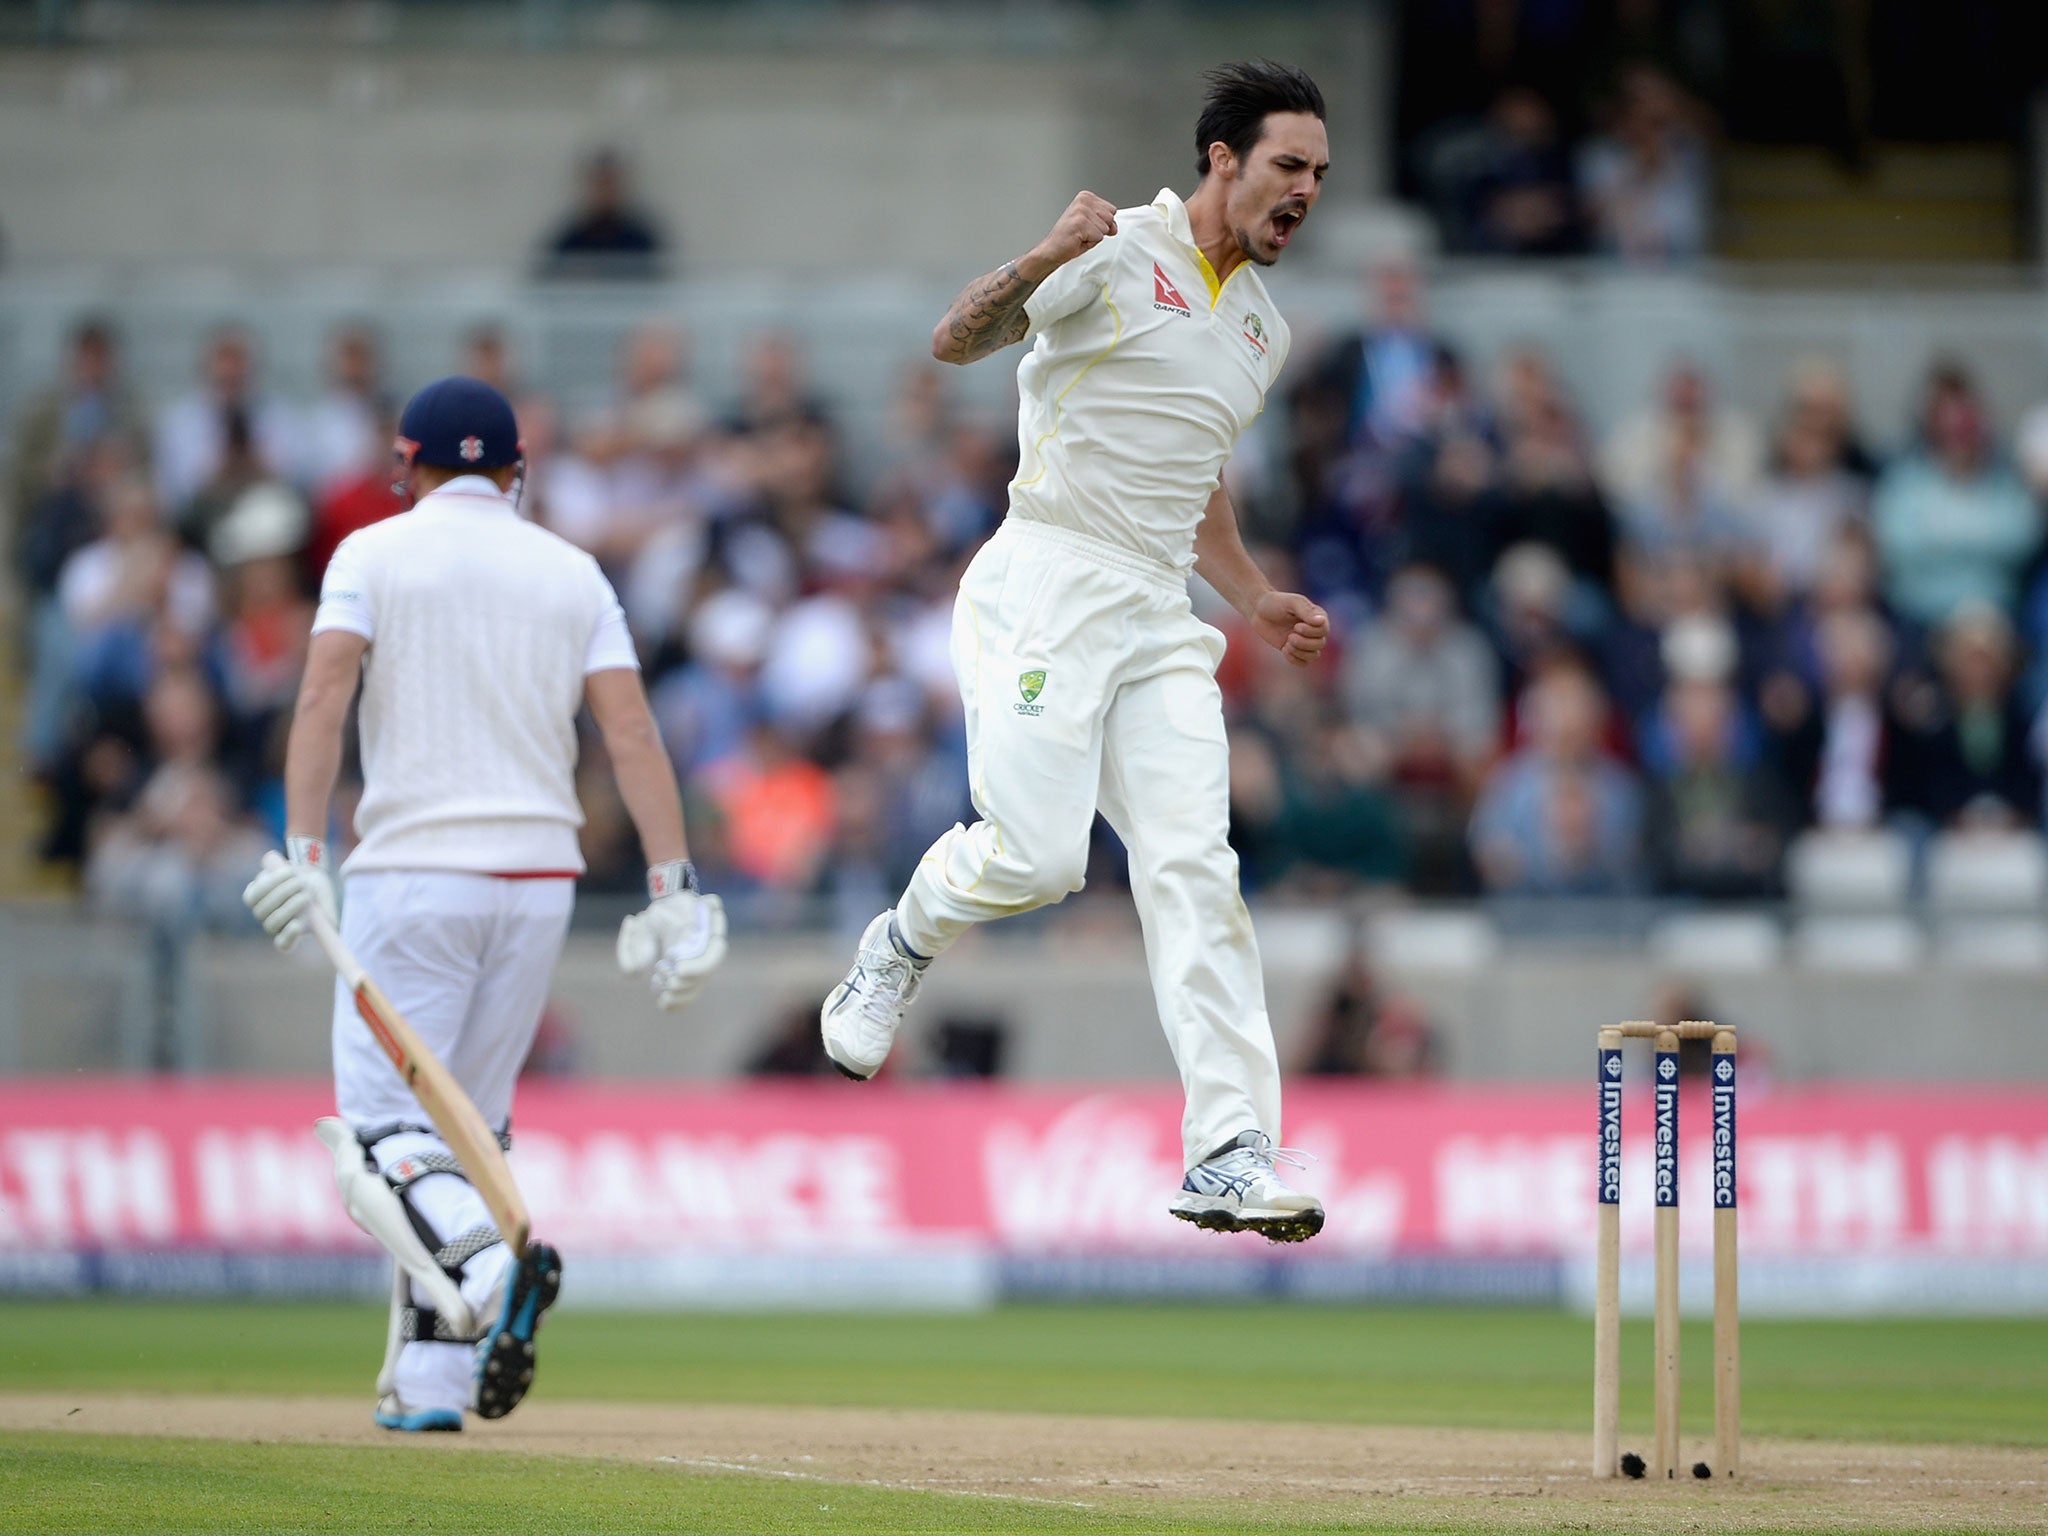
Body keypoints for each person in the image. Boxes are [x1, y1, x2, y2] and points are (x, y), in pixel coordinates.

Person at [817, 61, 1333, 1243]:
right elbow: (955, 342)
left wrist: (1251, 599)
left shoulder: (1262, 327)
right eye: (1286, 167)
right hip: (1047, 578)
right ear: (1222, 161)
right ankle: (897, 941)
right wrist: (1046, 255)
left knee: (1195, 866)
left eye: (1316, 174)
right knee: (1038, 859)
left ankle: (1226, 1148)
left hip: (1159, 614)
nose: (1304, 191)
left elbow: (1191, 476)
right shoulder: (1114, 250)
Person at [240, 378, 727, 1433]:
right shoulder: (571, 569)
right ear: (515, 472)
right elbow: (632, 733)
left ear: (406, 467)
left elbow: (323, 694)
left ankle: (488, 1273)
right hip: (537, 880)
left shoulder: (370, 553)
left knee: (379, 1138)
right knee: (465, 1132)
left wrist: (303, 849)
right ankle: (432, 1379)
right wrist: (672, 884)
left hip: (412, 871)